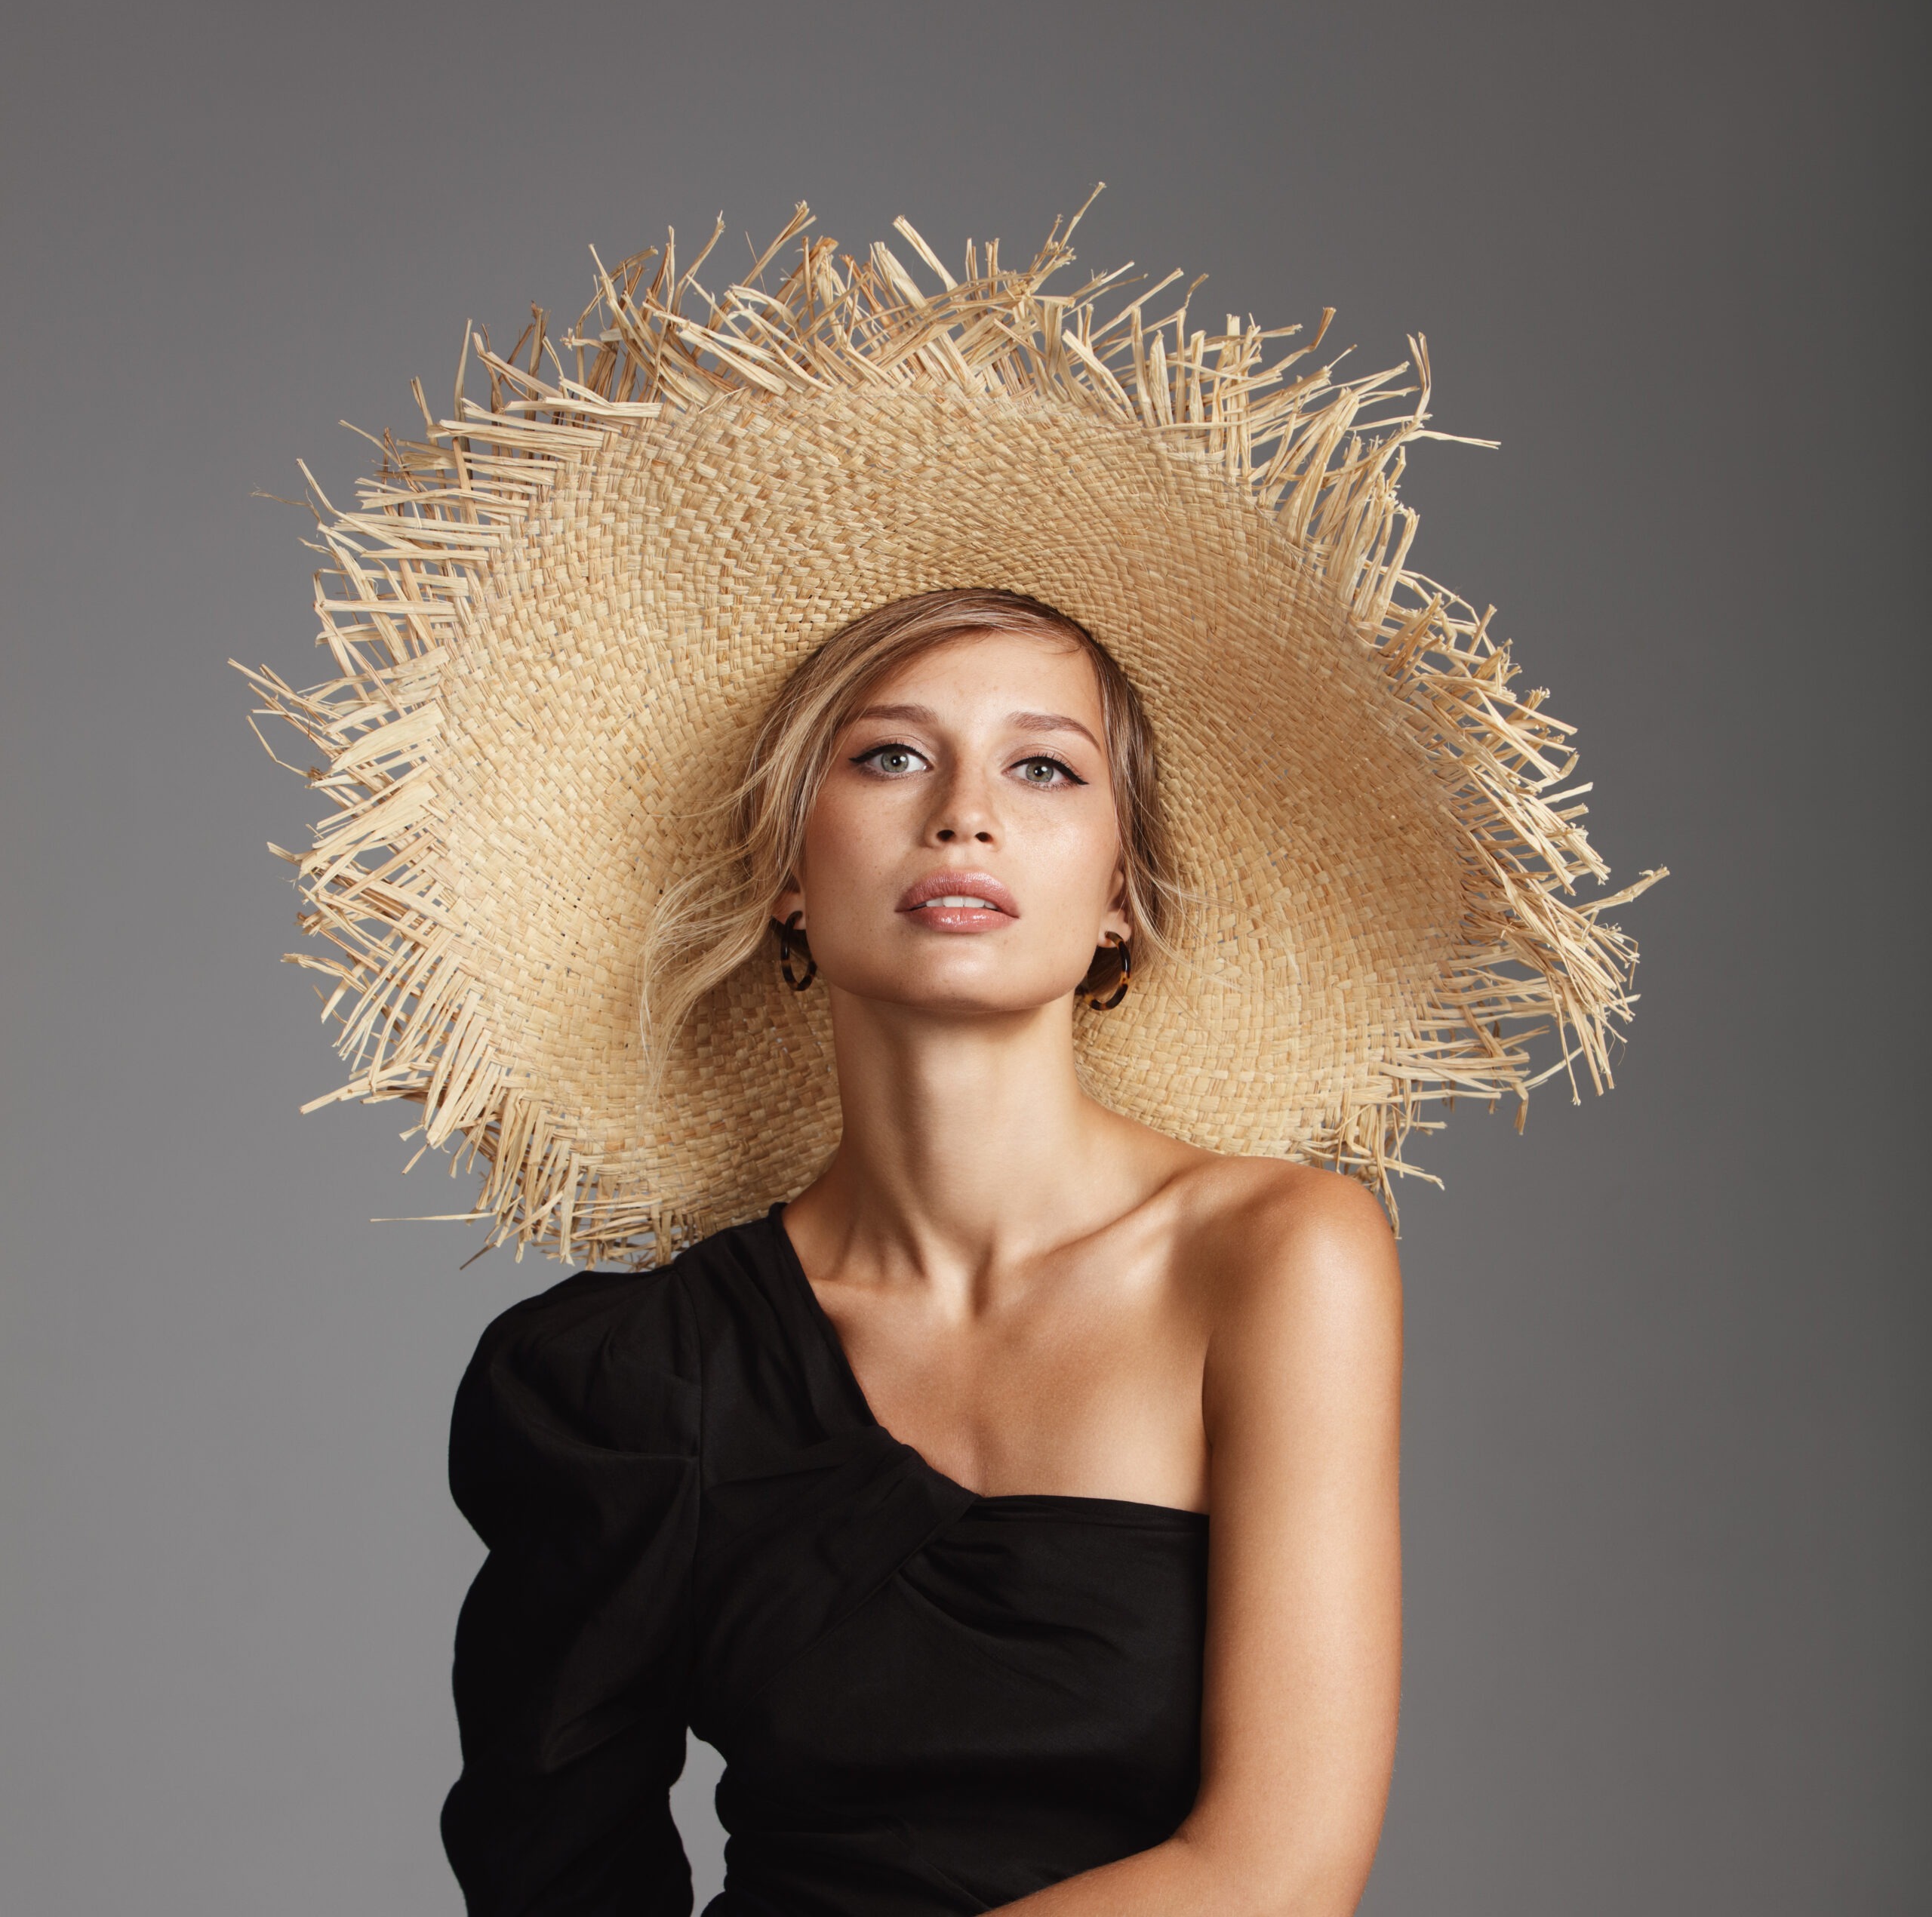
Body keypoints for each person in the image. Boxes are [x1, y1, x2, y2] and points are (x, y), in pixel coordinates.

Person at [242, 201, 1657, 1914]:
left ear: (1120, 898)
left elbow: (1274, 1870)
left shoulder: (1276, 1256)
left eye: (1045, 768)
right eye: (889, 755)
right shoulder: (626, 1381)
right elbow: (555, 1870)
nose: (966, 808)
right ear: (786, 866)